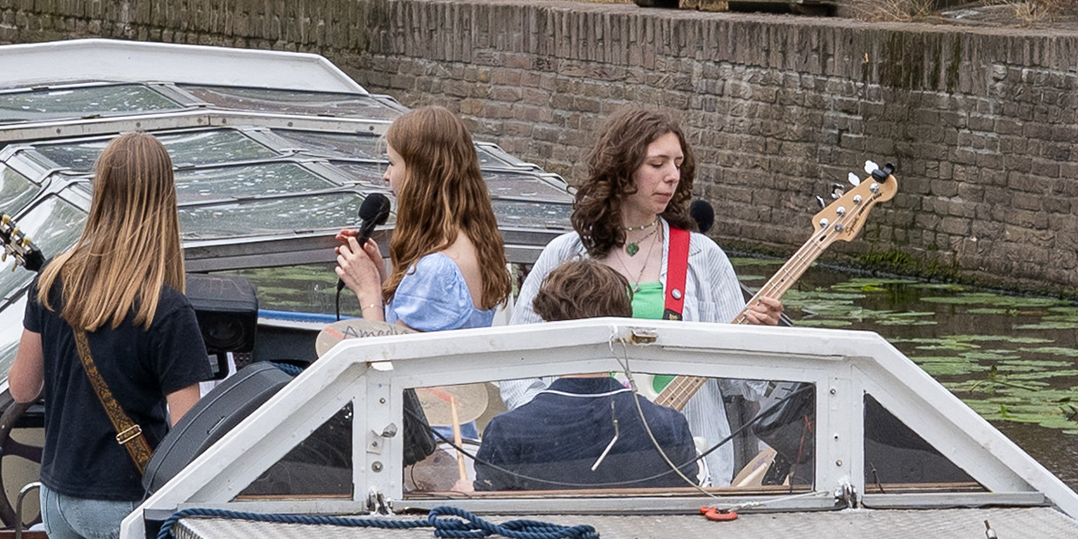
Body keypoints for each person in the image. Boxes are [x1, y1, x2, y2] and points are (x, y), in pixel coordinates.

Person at [6, 133, 213, 539]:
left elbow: (22, 388)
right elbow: (189, 433)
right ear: (162, 204)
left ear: (100, 193)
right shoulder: (165, 310)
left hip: (57, 496)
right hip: (118, 503)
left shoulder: (52, 281)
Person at [508, 106, 783, 485]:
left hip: (689, 462)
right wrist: (546, 428)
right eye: (657, 164)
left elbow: (740, 384)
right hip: (574, 463)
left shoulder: (703, 258)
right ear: (621, 171)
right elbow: (516, 361)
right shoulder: (564, 253)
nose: (672, 176)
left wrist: (759, 337)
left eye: (678, 163)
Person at [475, 260, 699, 492]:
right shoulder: (670, 428)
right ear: (621, 327)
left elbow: (492, 518)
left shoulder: (508, 431)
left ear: (547, 328)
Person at [334, 106, 509, 333]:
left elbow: (390, 361)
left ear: (420, 174)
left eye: (392, 163)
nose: (386, 176)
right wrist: (379, 278)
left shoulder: (436, 269)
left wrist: (368, 292)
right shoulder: (476, 243)